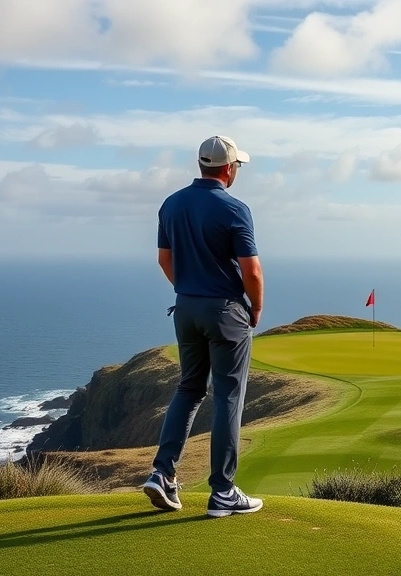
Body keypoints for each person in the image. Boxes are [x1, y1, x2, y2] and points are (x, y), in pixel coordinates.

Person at [142, 135, 264, 518]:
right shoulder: (235, 208)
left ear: (202, 165)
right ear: (228, 168)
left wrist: (189, 290)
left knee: (189, 389)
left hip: (186, 308)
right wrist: (255, 309)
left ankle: (162, 473)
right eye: (237, 166)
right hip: (225, 312)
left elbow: (165, 260)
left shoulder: (172, 204)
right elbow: (252, 271)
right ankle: (223, 492)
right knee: (228, 395)